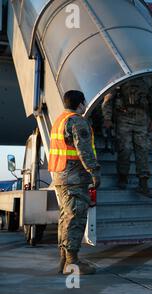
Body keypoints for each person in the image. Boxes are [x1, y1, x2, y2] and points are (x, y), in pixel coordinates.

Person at [48, 90, 101, 275]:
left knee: (65, 218)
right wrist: (94, 172)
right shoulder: (77, 120)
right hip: (75, 178)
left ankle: (64, 259)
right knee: (75, 218)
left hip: (61, 176)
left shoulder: (59, 120)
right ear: (80, 104)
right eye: (84, 102)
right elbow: (84, 150)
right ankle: (72, 263)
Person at [101, 76, 152, 197]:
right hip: (123, 117)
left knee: (142, 150)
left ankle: (143, 184)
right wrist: (107, 118)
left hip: (141, 119)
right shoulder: (120, 76)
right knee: (124, 149)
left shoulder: (147, 80)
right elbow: (108, 99)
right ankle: (123, 177)